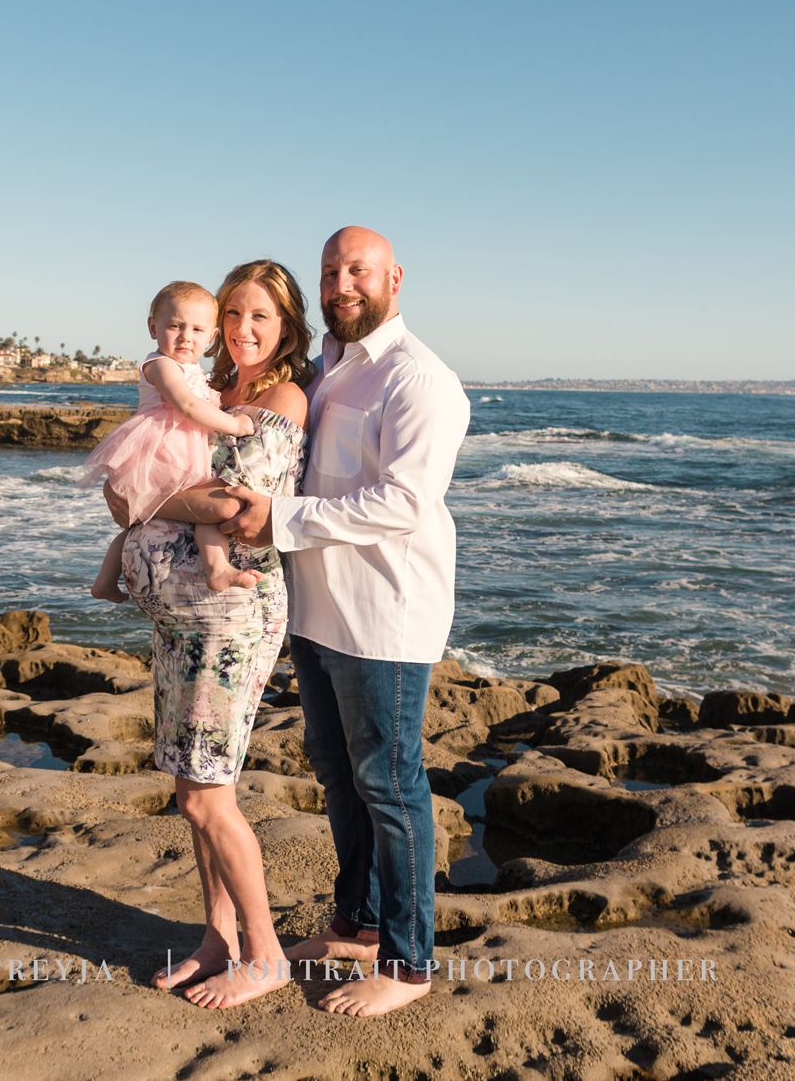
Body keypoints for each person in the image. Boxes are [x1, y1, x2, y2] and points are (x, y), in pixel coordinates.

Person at [218, 226, 471, 1017]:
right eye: (331, 271)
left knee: (393, 787)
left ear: (394, 277)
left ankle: (408, 961)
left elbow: (403, 502)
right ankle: (357, 926)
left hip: (384, 617)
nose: (341, 283)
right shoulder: (325, 372)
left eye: (357, 269)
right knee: (340, 778)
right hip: (319, 612)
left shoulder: (420, 379)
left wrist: (280, 520)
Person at [103, 260, 314, 1008]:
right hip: (178, 617)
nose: (243, 329)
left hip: (230, 617)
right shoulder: (212, 390)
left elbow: (237, 505)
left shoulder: (283, 396)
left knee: (208, 795)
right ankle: (216, 937)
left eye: (261, 316)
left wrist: (144, 495)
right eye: (234, 315)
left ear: (286, 327)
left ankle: (266, 953)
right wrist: (135, 497)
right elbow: (126, 487)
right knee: (194, 784)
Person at [81, 282, 262, 599]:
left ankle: (107, 582)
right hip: (160, 451)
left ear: (211, 337)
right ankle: (215, 567)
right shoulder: (160, 364)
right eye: (175, 326)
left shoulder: (193, 368)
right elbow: (188, 405)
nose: (185, 336)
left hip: (181, 450)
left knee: (149, 522)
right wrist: (234, 424)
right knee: (180, 511)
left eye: (196, 329)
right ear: (153, 328)